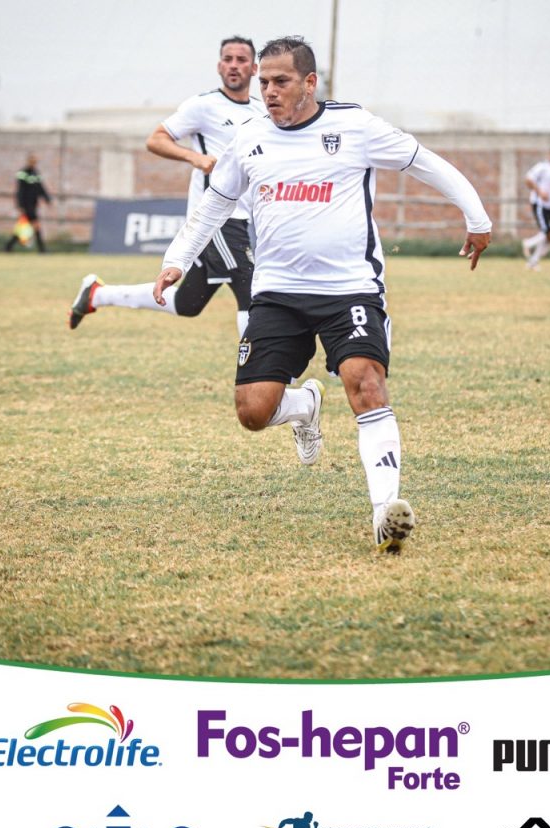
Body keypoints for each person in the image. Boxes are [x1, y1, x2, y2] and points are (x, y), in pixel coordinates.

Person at [153, 36, 492, 554]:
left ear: (310, 83)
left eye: (281, 81)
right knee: (252, 411)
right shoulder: (249, 138)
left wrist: (477, 217)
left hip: (348, 289)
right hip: (277, 293)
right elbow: (215, 204)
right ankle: (305, 405)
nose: (268, 92)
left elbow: (425, 163)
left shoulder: (354, 126)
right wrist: (176, 259)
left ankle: (385, 512)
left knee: (366, 383)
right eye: (264, 82)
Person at [69, 37, 265, 338]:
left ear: (254, 68)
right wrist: (195, 158)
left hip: (243, 215)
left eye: (241, 60)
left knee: (188, 303)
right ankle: (260, 368)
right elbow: (156, 139)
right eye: (228, 59)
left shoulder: (262, 111)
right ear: (219, 66)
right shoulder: (203, 105)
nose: (233, 65)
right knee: (249, 289)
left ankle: (97, 294)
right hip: (217, 218)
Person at [4, 154, 51, 252]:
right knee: (35, 226)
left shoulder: (36, 173)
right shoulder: (22, 173)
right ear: (28, 161)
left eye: (35, 161)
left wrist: (47, 199)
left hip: (33, 205)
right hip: (26, 205)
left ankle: (8, 247)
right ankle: (42, 250)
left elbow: (40, 188)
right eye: (32, 161)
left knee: (24, 227)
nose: (33, 163)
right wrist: (20, 205)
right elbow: (20, 190)